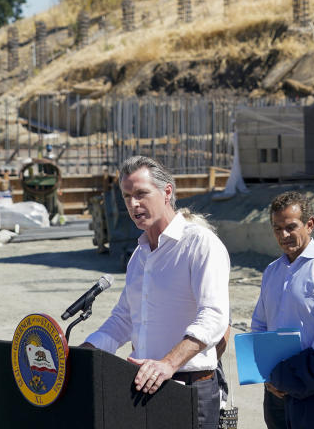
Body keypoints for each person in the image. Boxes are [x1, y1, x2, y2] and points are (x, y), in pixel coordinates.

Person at [82, 155, 230, 429]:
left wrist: (168, 364)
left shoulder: (200, 244)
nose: (133, 204)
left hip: (188, 391)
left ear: (167, 192)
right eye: (127, 197)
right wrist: (84, 353)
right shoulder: (139, 256)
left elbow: (214, 316)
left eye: (141, 194)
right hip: (144, 388)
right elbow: (123, 319)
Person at [251, 191, 314, 429]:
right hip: (276, 387)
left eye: (290, 227)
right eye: (277, 229)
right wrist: (268, 376)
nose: (283, 235)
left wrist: (290, 377)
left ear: (310, 224)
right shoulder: (272, 271)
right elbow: (259, 325)